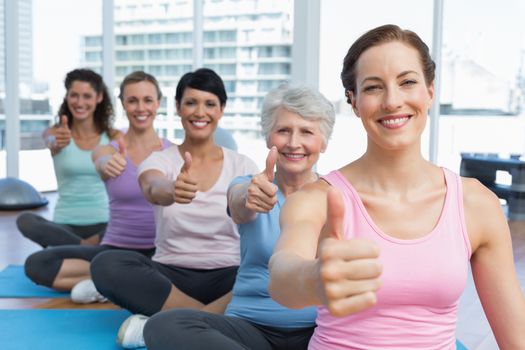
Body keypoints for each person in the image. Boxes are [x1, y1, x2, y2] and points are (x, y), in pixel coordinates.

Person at [268, 24, 525, 349]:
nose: (392, 101)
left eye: (407, 82)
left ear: (430, 91)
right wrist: (313, 279)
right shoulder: (317, 200)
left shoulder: (475, 204)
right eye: (374, 87)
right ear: (354, 101)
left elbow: (517, 339)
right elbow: (281, 276)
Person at [143, 85, 336, 350]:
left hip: (318, 332)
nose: (293, 143)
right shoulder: (248, 185)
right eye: (283, 131)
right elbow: (239, 203)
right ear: (269, 137)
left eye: (306, 132)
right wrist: (249, 197)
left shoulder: (337, 195)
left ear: (323, 142)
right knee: (161, 326)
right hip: (249, 328)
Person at [90, 68, 259, 348]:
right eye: (191, 103)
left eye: (209, 104)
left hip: (229, 273)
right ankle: (213, 321)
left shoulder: (242, 165)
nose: (199, 112)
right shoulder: (160, 161)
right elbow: (153, 187)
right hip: (170, 274)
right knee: (106, 264)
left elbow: (248, 208)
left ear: (222, 110)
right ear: (178, 108)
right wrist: (172, 189)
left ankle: (171, 324)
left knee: (272, 271)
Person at [23, 71, 171, 302]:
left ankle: (107, 283)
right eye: (132, 100)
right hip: (113, 248)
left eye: (147, 100)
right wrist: (106, 164)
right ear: (123, 104)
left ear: (158, 103)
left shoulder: (174, 153)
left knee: (170, 267)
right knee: (37, 263)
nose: (140, 107)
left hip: (158, 251)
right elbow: (100, 160)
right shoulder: (107, 150)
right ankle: (117, 281)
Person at [17, 69, 119, 248]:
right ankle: (87, 249)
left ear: (99, 97)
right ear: (67, 97)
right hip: (64, 225)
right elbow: (50, 141)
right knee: (25, 220)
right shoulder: (55, 133)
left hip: (105, 224)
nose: (80, 102)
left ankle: (74, 251)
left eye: (87, 96)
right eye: (74, 95)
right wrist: (55, 143)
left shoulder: (114, 137)